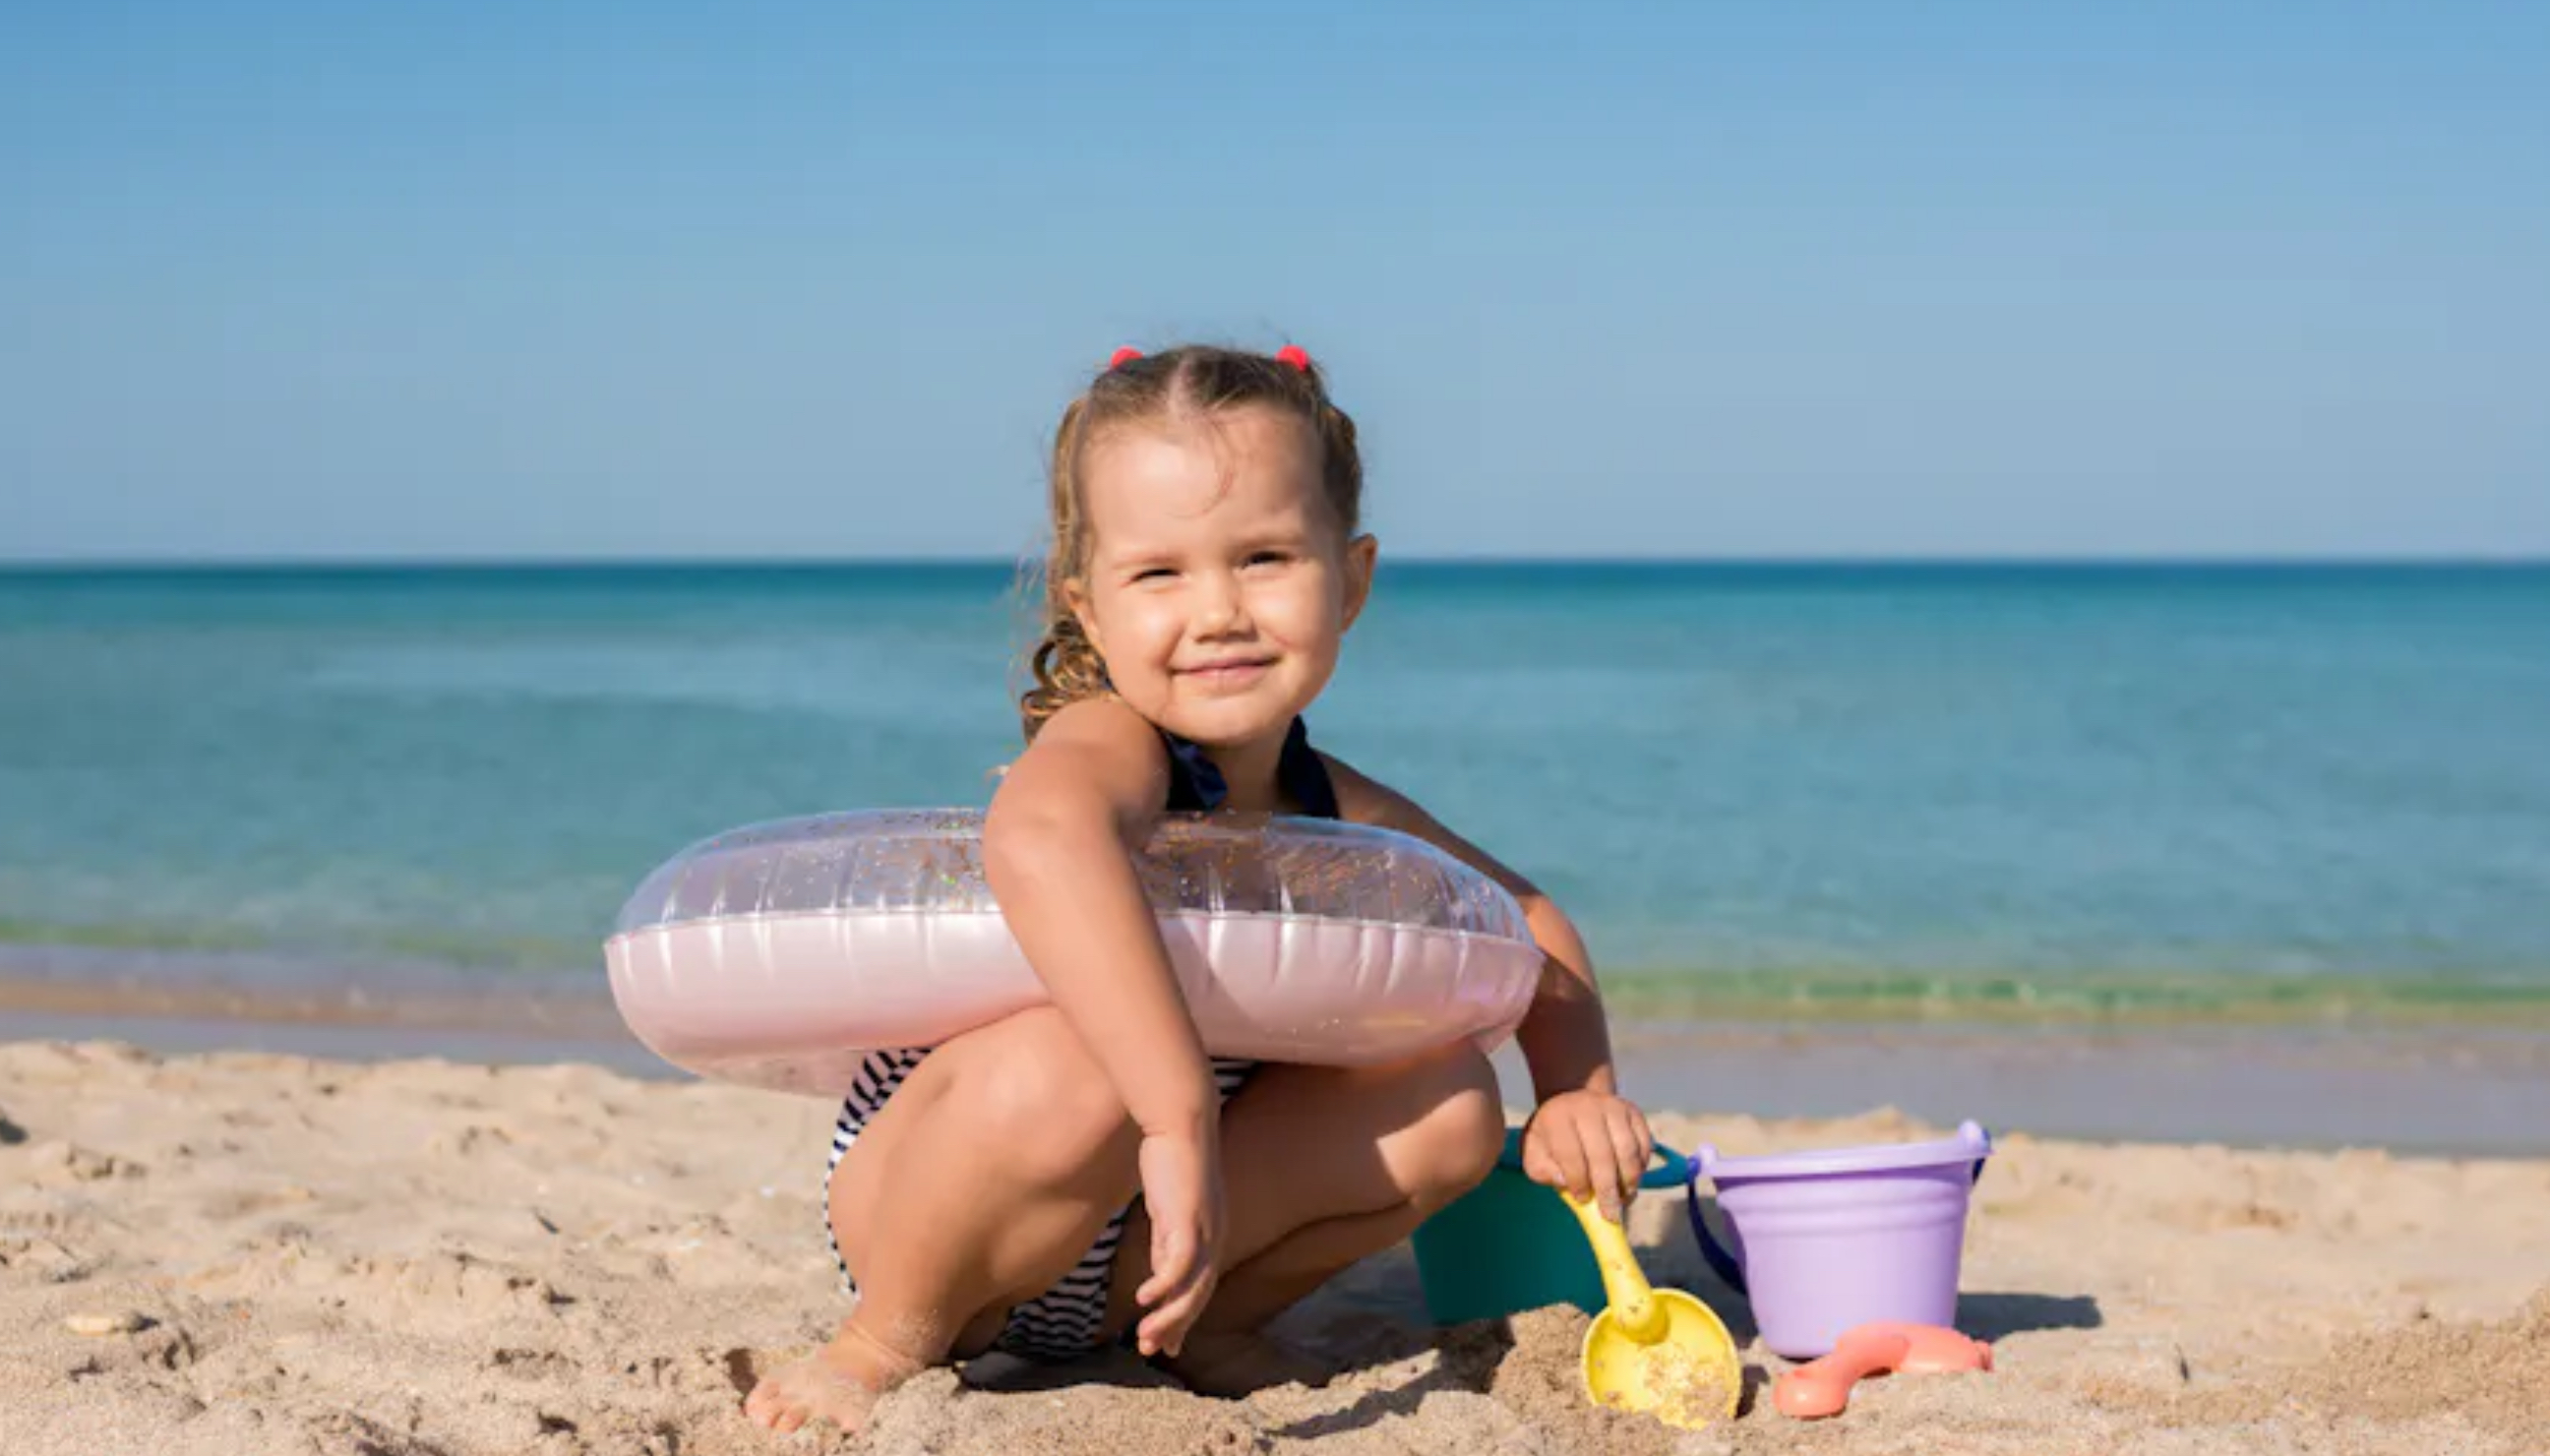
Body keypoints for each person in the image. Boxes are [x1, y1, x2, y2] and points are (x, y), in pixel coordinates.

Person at [746, 342, 1656, 1437]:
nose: (1218, 610)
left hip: (1174, 1234)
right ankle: (883, 1340)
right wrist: (1174, 1115)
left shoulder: (1331, 803)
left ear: (1352, 580)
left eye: (1265, 557)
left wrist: (1575, 1090)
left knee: (1452, 1100)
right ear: (1089, 609)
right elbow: (1037, 838)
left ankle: (1204, 1323)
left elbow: (1524, 922)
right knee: (1074, 1061)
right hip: (951, 1203)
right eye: (1160, 573)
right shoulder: (1114, 745)